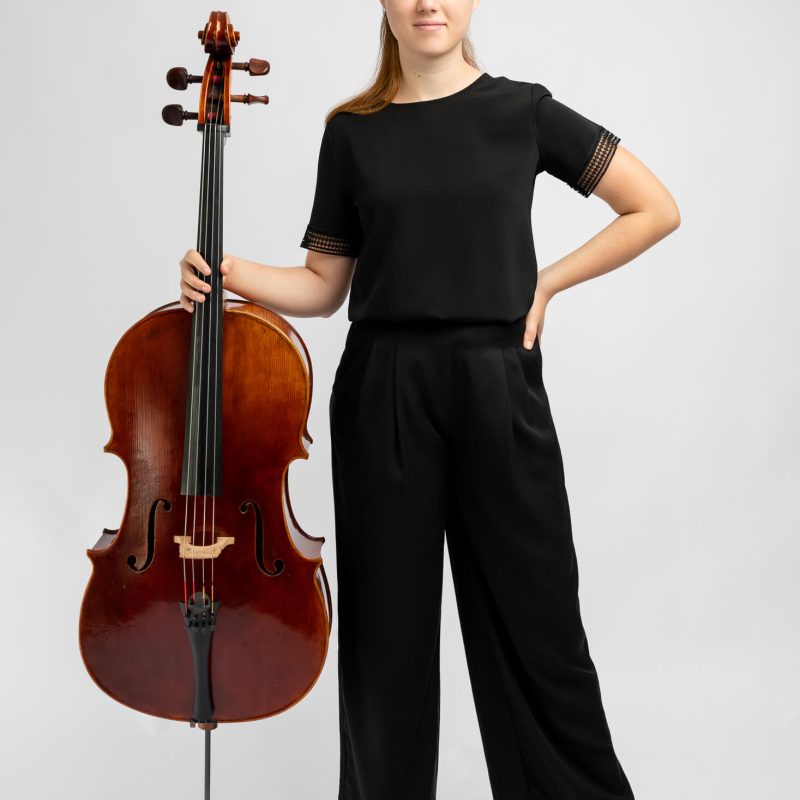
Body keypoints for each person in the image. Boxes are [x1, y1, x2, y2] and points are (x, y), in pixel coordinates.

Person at [179, 1, 680, 797]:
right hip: (385, 393)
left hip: (498, 384)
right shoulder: (353, 131)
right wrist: (229, 274)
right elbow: (323, 286)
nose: (428, 3)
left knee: (539, 633)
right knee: (386, 652)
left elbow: (655, 207)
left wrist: (546, 282)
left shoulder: (525, 111)